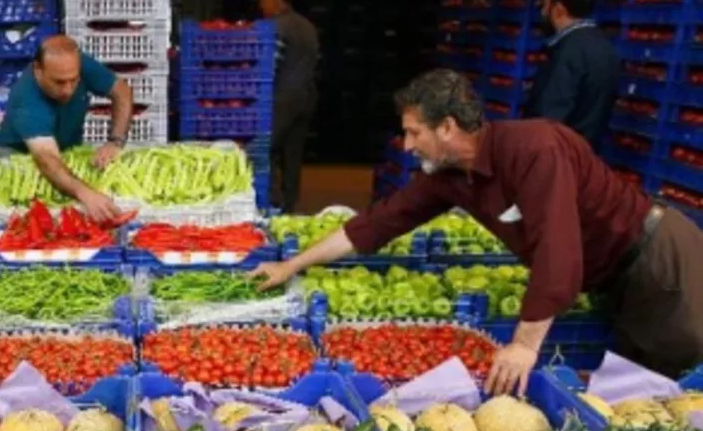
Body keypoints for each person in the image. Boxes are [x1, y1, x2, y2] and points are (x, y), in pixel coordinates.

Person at [252, 69, 703, 389]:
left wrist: (524, 347)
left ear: (447, 126)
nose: (406, 145)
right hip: (613, 276)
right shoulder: (450, 177)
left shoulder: (535, 150)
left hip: (659, 265)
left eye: (413, 133)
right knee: (636, 388)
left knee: (676, 382)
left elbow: (558, 252)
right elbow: (377, 224)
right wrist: (291, 264)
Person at [0, 35, 134, 223]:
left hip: (60, 150)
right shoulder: (26, 100)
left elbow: (121, 91)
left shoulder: (75, 64)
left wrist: (115, 141)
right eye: (59, 82)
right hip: (14, 157)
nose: (68, 90)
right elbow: (46, 159)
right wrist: (85, 193)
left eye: (74, 81)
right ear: (38, 70)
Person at [524, 0, 620, 151]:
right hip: (584, 158)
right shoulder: (606, 49)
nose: (543, 11)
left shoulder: (568, 53)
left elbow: (547, 120)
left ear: (559, 10)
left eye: (545, 4)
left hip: (557, 160)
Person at [258, 0, 319, 212]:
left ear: (275, 1)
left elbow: (270, 66)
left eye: (264, 1)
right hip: (307, 95)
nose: (262, 6)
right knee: (293, 152)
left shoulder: (277, 27)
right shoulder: (307, 25)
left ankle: (273, 200)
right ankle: (290, 204)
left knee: (266, 147)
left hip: (283, 97)